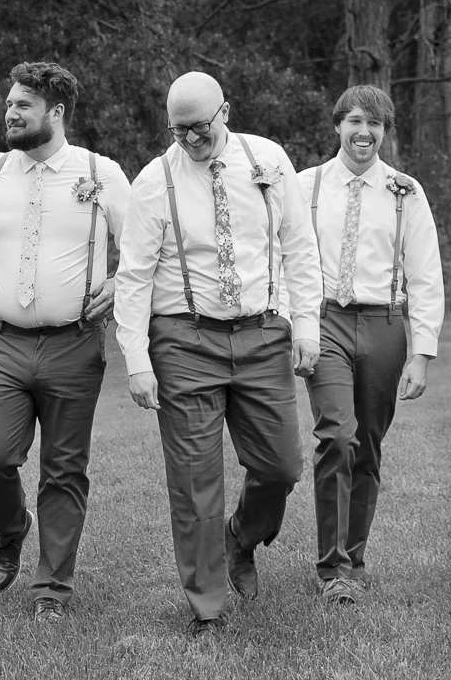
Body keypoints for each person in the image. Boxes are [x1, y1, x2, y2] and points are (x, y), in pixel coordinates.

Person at [114, 71, 322, 636]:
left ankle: (241, 537)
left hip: (263, 334)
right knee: (194, 480)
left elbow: (299, 247)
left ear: (225, 112)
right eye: (177, 130)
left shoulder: (269, 160)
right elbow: (133, 277)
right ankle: (207, 607)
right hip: (184, 340)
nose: (189, 140)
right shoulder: (154, 181)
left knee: (282, 465)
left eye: (199, 127)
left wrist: (306, 325)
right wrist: (137, 360)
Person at [0, 62, 130, 621]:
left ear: (56, 112)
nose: (10, 113)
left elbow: (143, 247)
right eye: (9, 104)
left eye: (23, 105)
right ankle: (11, 529)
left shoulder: (100, 172)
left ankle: (52, 587)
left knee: (64, 468)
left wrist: (120, 283)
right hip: (4, 342)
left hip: (75, 343)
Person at [298, 85, 443, 604]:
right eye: (355, 121)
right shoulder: (306, 186)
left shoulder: (406, 192)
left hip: (384, 325)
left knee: (367, 446)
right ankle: (332, 568)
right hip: (326, 320)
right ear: (338, 125)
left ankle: (353, 560)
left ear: (385, 131)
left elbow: (425, 273)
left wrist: (421, 353)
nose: (364, 133)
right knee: (338, 436)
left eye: (375, 124)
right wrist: (297, 326)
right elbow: (285, 256)